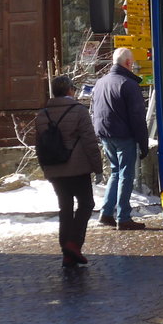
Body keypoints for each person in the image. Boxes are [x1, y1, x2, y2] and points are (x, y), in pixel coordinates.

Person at [36, 76, 102, 267]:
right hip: (78, 168)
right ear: (70, 91)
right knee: (86, 204)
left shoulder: (42, 114)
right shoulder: (79, 111)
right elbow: (90, 142)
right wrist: (97, 168)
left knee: (65, 208)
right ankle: (73, 244)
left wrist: (46, 169)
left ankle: (67, 250)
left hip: (54, 169)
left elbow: (39, 145)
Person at [91, 47, 149, 230]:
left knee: (116, 172)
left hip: (105, 134)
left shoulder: (100, 82)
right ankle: (123, 217)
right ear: (128, 63)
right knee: (126, 175)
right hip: (124, 136)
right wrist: (144, 143)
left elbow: (94, 110)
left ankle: (106, 213)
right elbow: (138, 117)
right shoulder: (129, 84)